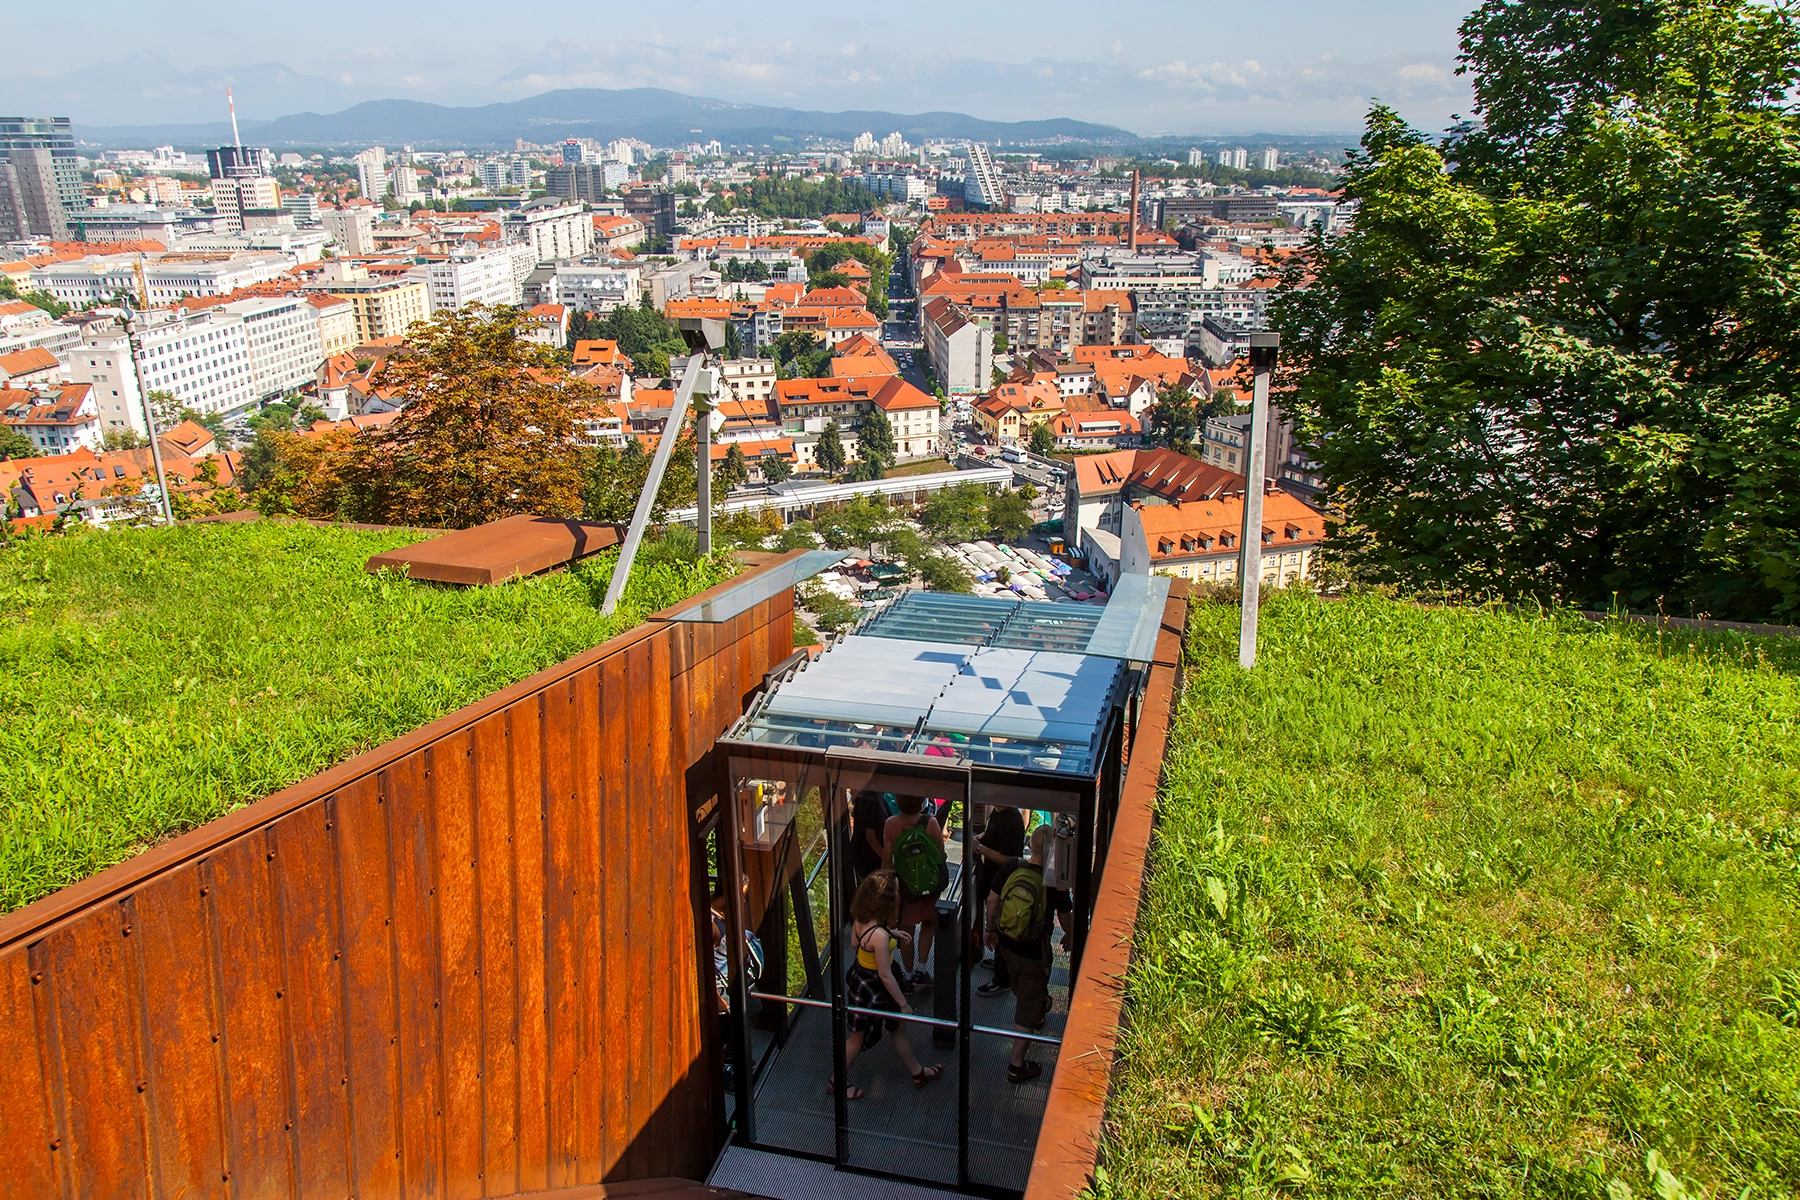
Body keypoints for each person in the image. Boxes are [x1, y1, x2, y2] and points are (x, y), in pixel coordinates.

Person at [827, 870, 944, 1099]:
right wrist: (903, 1003)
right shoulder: (879, 936)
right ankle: (836, 1082)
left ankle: (917, 1071)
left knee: (879, 1032)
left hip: (861, 980)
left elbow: (854, 942)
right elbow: (885, 975)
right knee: (865, 1037)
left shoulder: (862, 920)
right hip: (877, 985)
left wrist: (890, 933)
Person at [984, 825, 1065, 1084]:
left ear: (1030, 845)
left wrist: (990, 929)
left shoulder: (1011, 867)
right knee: (1026, 1007)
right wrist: (1072, 936)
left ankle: (1038, 1006)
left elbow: (992, 900)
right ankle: (1016, 1065)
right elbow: (1066, 915)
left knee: (1022, 988)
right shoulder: (1053, 881)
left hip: (1007, 946)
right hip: (1034, 953)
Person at [882, 794, 946, 985]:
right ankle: (921, 968)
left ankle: (908, 976)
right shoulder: (931, 822)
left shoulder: (891, 824)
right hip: (928, 883)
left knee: (906, 928)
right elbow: (940, 854)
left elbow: (886, 860)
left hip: (905, 885)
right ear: (921, 802)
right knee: (928, 923)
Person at [970, 804, 1026, 995]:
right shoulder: (998, 812)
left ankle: (1002, 979)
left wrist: (980, 848)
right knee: (996, 923)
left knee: (1001, 925)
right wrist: (983, 838)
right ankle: (998, 963)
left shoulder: (1012, 820)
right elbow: (991, 833)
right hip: (992, 877)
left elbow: (1009, 858)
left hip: (1004, 883)